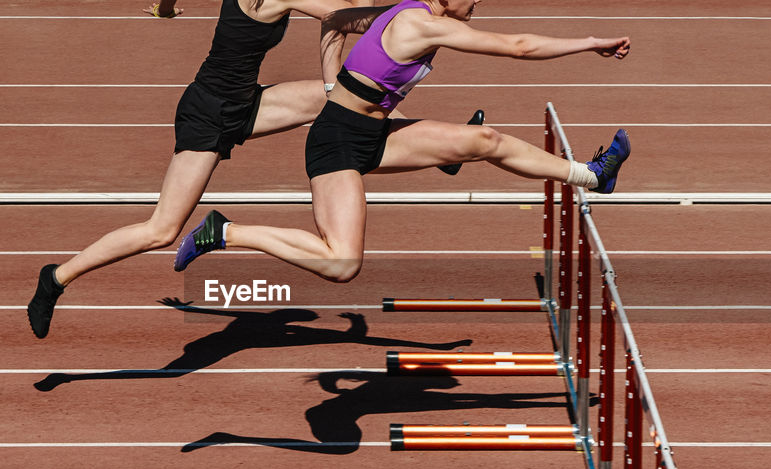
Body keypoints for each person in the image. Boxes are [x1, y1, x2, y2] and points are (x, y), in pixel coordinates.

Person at [26, 0, 475, 338]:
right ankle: (58, 277)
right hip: (208, 113)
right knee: (161, 230)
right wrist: (418, 15)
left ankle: (442, 153)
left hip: (248, 103)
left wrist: (164, 8)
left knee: (343, 96)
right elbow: (348, 17)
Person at [173, 0, 632, 283]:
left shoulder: (402, 10)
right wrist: (591, 42)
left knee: (485, 140)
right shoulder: (423, 24)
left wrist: (333, 82)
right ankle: (226, 231)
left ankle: (593, 175)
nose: (478, 3)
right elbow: (518, 46)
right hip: (336, 145)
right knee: (342, 263)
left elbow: (335, 19)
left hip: (372, 133)